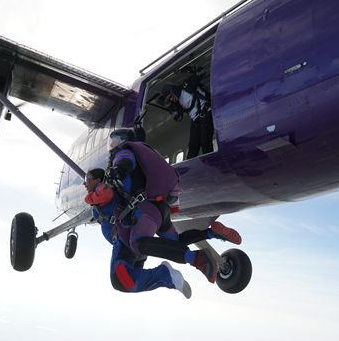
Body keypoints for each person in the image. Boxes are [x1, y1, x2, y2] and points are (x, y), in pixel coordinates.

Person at [104, 129, 242, 284]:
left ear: (123, 141)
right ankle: (212, 232)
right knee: (175, 240)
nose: (112, 145)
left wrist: (119, 171)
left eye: (115, 140)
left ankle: (196, 258)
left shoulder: (123, 151)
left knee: (137, 243)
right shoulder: (147, 154)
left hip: (146, 209)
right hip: (160, 209)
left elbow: (125, 161)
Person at [84, 168, 192, 298]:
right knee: (129, 280)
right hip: (131, 244)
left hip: (125, 239)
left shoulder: (103, 188)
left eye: (87, 179)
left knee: (123, 281)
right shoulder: (99, 197)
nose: (85, 183)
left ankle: (167, 275)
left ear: (97, 180)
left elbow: (105, 192)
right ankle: (170, 277)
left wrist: (88, 198)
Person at [162, 82, 214, 159]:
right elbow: (178, 117)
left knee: (205, 142)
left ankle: (211, 161)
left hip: (206, 113)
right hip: (195, 119)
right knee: (193, 145)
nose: (171, 99)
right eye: (169, 99)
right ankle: (189, 163)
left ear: (173, 91)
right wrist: (172, 108)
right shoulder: (177, 102)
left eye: (170, 96)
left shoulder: (187, 88)